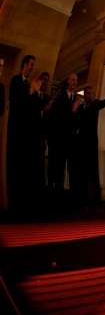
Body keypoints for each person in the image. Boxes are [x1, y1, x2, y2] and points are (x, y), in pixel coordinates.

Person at [6, 55, 36, 210]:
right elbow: (16, 102)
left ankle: (21, 199)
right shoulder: (16, 81)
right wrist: (30, 93)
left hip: (25, 131)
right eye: (31, 64)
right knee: (13, 162)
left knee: (22, 164)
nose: (32, 68)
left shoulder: (28, 84)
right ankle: (12, 199)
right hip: (15, 128)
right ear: (24, 64)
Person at [48, 72, 80, 196]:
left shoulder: (76, 98)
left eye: (76, 80)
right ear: (68, 81)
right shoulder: (60, 97)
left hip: (71, 141)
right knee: (58, 168)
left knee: (71, 169)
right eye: (73, 80)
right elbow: (58, 118)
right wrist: (73, 110)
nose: (75, 82)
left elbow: (77, 119)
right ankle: (56, 193)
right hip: (58, 140)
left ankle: (69, 195)